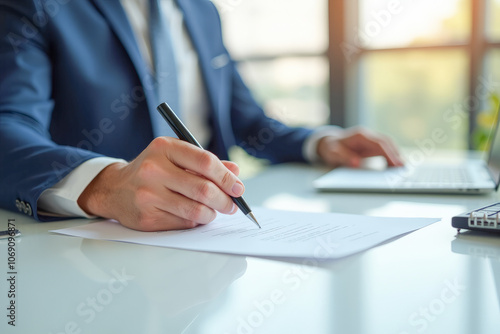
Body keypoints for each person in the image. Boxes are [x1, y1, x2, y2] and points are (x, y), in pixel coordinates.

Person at [0, 0, 403, 232]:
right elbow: (8, 127)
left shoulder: (202, 10)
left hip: (211, 241)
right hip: (94, 250)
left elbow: (249, 122)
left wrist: (321, 142)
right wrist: (106, 185)